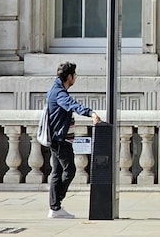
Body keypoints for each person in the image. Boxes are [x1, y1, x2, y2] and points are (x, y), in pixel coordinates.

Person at [44, 61, 101, 219]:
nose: (75, 77)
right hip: (60, 140)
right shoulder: (60, 93)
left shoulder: (56, 90)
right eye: (74, 75)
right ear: (69, 77)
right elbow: (72, 105)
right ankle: (56, 204)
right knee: (69, 171)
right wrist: (91, 113)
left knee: (57, 172)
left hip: (57, 138)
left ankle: (55, 208)